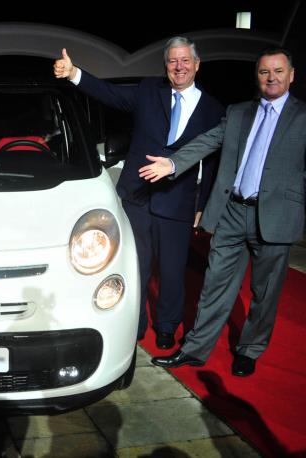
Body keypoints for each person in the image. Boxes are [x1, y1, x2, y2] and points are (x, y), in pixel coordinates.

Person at [140, 48, 305, 376]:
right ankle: (194, 349)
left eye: (278, 71)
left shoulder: (302, 116)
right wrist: (173, 163)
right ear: (257, 76)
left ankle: (249, 350)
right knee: (214, 284)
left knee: (265, 292)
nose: (271, 78)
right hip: (232, 212)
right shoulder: (239, 112)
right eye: (264, 72)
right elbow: (207, 142)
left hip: (276, 216)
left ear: (291, 75)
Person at [53, 37, 225, 348]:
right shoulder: (148, 91)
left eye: (185, 60)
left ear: (197, 65)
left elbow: (211, 161)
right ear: (166, 65)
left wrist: (203, 205)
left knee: (172, 272)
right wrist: (74, 73)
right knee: (137, 267)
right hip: (137, 198)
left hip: (178, 201)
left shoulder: (213, 109)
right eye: (173, 61)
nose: (179, 67)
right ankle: (136, 324)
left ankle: (166, 327)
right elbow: (109, 94)